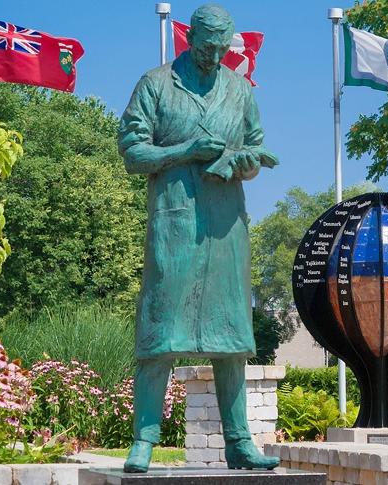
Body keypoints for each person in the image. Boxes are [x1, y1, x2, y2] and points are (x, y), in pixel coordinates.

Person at [117, 3, 279, 473]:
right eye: (206, 46)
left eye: (221, 47)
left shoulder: (239, 90)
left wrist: (247, 161)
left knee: (232, 337)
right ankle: (144, 440)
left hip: (226, 224)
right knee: (161, 332)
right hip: (175, 224)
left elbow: (254, 142)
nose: (213, 55)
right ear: (191, 39)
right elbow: (132, 150)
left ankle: (239, 442)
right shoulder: (156, 84)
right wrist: (186, 150)